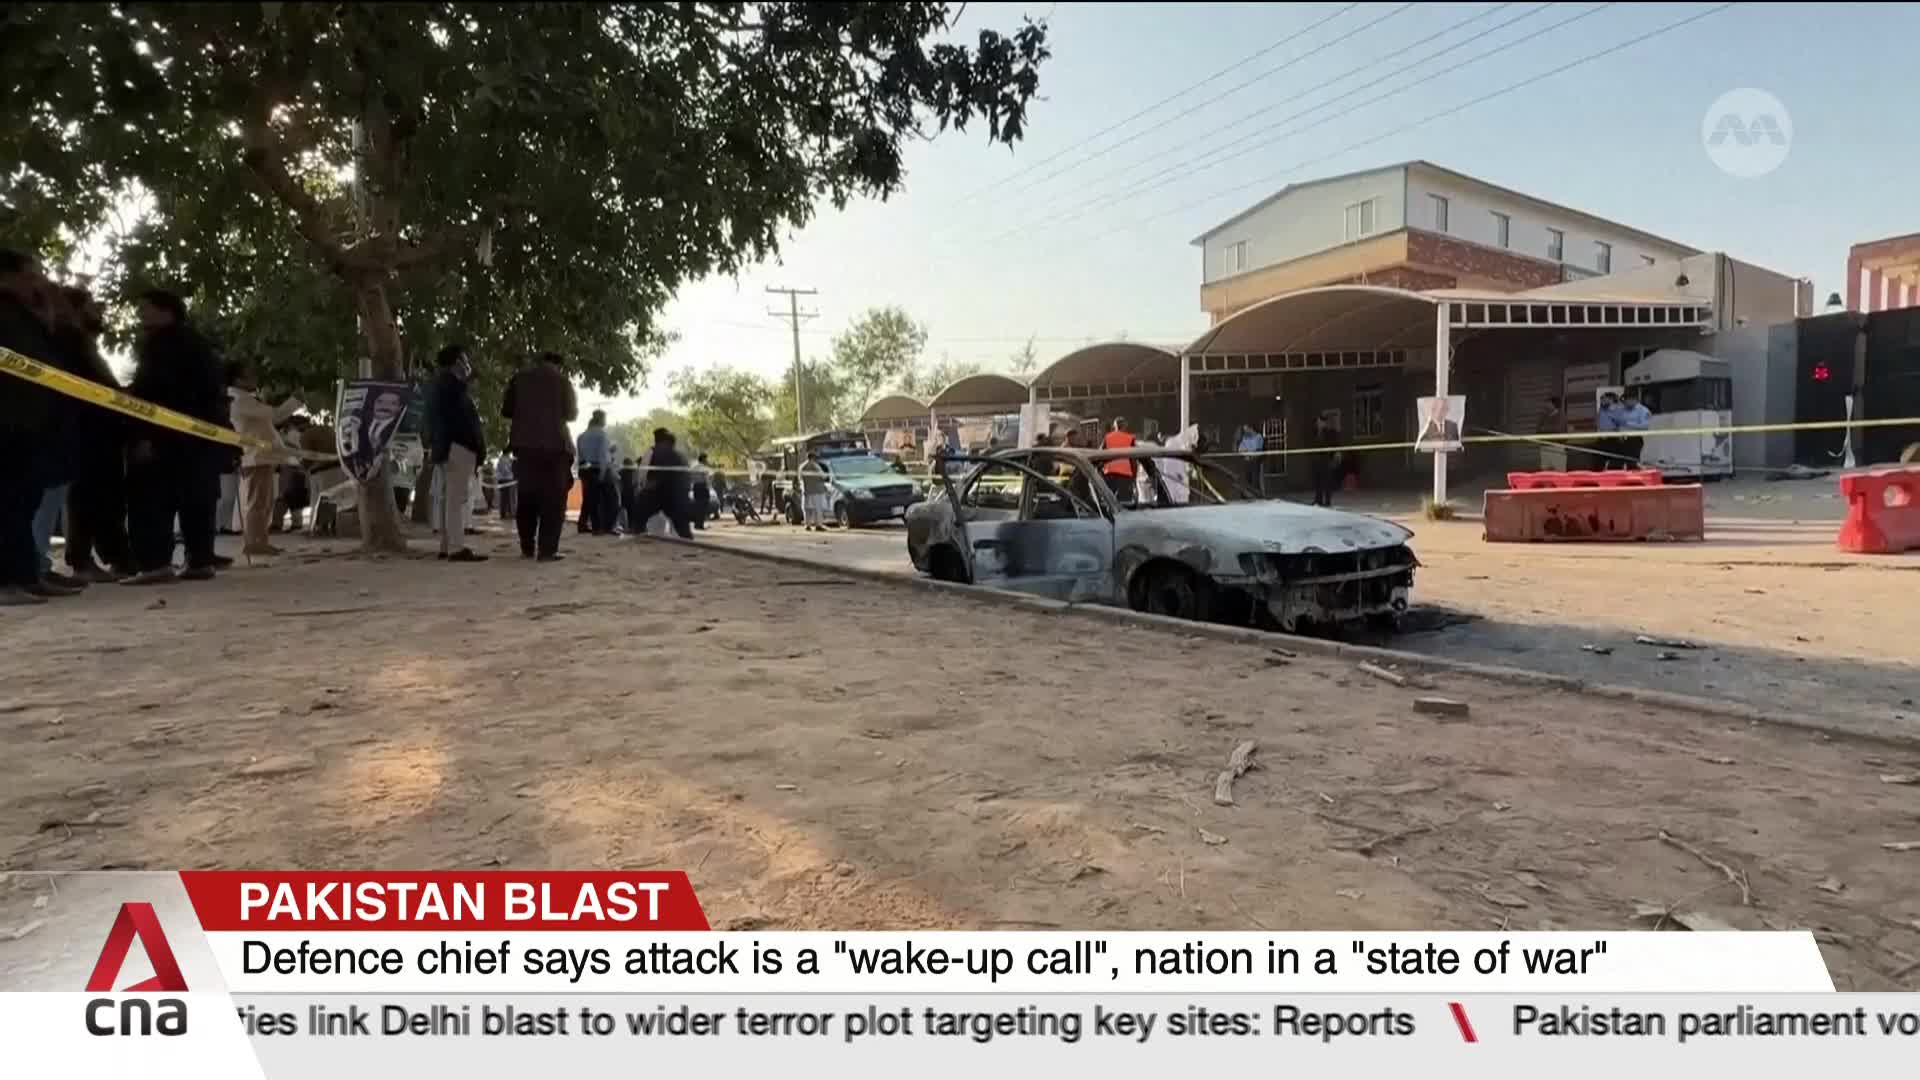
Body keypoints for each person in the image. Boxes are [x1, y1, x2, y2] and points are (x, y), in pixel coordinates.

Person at [123, 289, 227, 584]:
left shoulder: (161, 347)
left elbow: (155, 394)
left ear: (167, 311)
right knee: (197, 498)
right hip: (198, 436)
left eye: (146, 308)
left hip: (165, 437)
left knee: (152, 500)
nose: (141, 314)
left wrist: (144, 435)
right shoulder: (198, 344)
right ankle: (200, 559)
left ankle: (155, 563)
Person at [0, 250, 74, 604]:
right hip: (7, 422)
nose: (37, 283)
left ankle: (26, 574)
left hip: (32, 423)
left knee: (24, 503)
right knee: (7, 504)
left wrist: (47, 300)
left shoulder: (24, 315)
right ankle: (7, 582)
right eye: (30, 277)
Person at [55, 286, 134, 582]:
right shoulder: (70, 341)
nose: (98, 310)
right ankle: (83, 559)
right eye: (91, 304)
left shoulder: (84, 343)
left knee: (104, 497)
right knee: (88, 496)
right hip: (88, 431)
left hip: (100, 431)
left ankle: (113, 555)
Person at [502, 351, 577, 561]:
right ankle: (547, 550)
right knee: (554, 501)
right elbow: (571, 414)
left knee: (526, 497)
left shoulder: (518, 379)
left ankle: (527, 547)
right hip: (555, 447)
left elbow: (507, 411)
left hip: (524, 446)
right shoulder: (562, 381)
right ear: (557, 364)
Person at [226, 358, 302, 558]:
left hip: (262, 457)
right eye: (249, 374)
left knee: (264, 503)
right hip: (255, 457)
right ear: (238, 379)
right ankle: (254, 543)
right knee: (258, 503)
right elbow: (275, 416)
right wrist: (296, 400)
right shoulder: (240, 400)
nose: (254, 378)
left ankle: (261, 541)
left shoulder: (246, 400)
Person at [428, 343, 488, 562]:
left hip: (447, 447)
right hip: (458, 447)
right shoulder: (452, 387)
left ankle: (447, 545)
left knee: (448, 499)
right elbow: (464, 422)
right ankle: (455, 547)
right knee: (455, 499)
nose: (468, 364)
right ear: (457, 363)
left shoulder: (440, 385)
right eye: (464, 360)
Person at [632, 428, 694, 539]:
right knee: (681, 523)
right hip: (675, 494)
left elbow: (642, 473)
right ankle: (688, 539)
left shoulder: (652, 451)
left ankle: (637, 533)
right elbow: (687, 475)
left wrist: (642, 486)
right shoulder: (680, 455)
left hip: (655, 490)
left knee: (640, 514)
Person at [574, 409, 611, 534]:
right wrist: (603, 472)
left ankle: (582, 523)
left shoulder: (581, 436)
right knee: (598, 499)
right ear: (601, 419)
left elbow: (581, 455)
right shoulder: (602, 435)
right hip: (596, 468)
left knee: (588, 497)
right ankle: (597, 527)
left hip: (584, 468)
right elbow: (602, 455)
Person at [1310, 411, 1343, 508]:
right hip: (1317, 459)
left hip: (1326, 459)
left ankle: (1327, 501)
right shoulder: (1315, 433)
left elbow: (1336, 445)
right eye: (1318, 421)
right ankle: (1318, 500)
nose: (1319, 423)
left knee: (1327, 481)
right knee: (1317, 480)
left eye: (1321, 421)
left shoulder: (1330, 433)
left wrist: (1335, 456)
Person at [1100, 417, 1136, 501]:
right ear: (1125, 426)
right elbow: (1133, 458)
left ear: (1114, 426)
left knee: (1108, 500)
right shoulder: (1130, 438)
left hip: (1109, 473)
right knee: (1125, 501)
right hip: (1125, 475)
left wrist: (1101, 470)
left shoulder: (1107, 437)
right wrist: (1134, 476)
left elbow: (1100, 454)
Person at [1616, 388, 1651, 468]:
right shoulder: (1623, 410)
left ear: (1634, 399)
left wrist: (1629, 424)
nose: (1625, 402)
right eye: (1624, 400)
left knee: (1633, 462)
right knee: (1623, 462)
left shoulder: (1643, 411)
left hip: (1635, 439)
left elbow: (1645, 426)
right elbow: (1620, 423)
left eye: (1627, 400)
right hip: (1624, 440)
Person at [798, 451, 830, 532]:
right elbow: (823, 476)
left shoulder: (802, 466)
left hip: (807, 491)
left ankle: (807, 525)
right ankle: (818, 525)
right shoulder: (816, 466)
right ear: (813, 458)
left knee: (807, 509)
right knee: (817, 509)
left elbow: (800, 478)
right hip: (817, 491)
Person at [1235, 424, 1264, 493]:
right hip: (1246, 460)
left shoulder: (1258, 437)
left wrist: (1249, 453)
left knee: (1255, 479)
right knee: (1247, 478)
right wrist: (1246, 453)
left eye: (1246, 430)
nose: (1245, 432)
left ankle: (1256, 494)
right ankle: (1248, 494)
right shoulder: (1245, 438)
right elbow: (1240, 449)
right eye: (1244, 430)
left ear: (1251, 428)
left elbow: (1258, 449)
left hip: (1255, 460)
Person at [690, 453, 713, 530]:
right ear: (703, 459)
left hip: (696, 487)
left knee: (697, 506)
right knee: (703, 506)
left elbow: (690, 478)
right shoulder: (703, 468)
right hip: (703, 487)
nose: (707, 460)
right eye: (706, 459)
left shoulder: (693, 467)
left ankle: (697, 524)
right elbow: (707, 479)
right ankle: (700, 525)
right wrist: (709, 488)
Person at [617, 456, 639, 531]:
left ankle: (627, 526)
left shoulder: (622, 472)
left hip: (625, 494)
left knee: (626, 511)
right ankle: (630, 527)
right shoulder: (632, 471)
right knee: (631, 512)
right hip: (630, 494)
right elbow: (635, 483)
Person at [493, 453, 516, 521]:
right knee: (508, 498)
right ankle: (508, 513)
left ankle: (505, 513)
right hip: (507, 480)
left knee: (505, 497)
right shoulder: (505, 459)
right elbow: (506, 470)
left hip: (504, 480)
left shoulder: (504, 459)